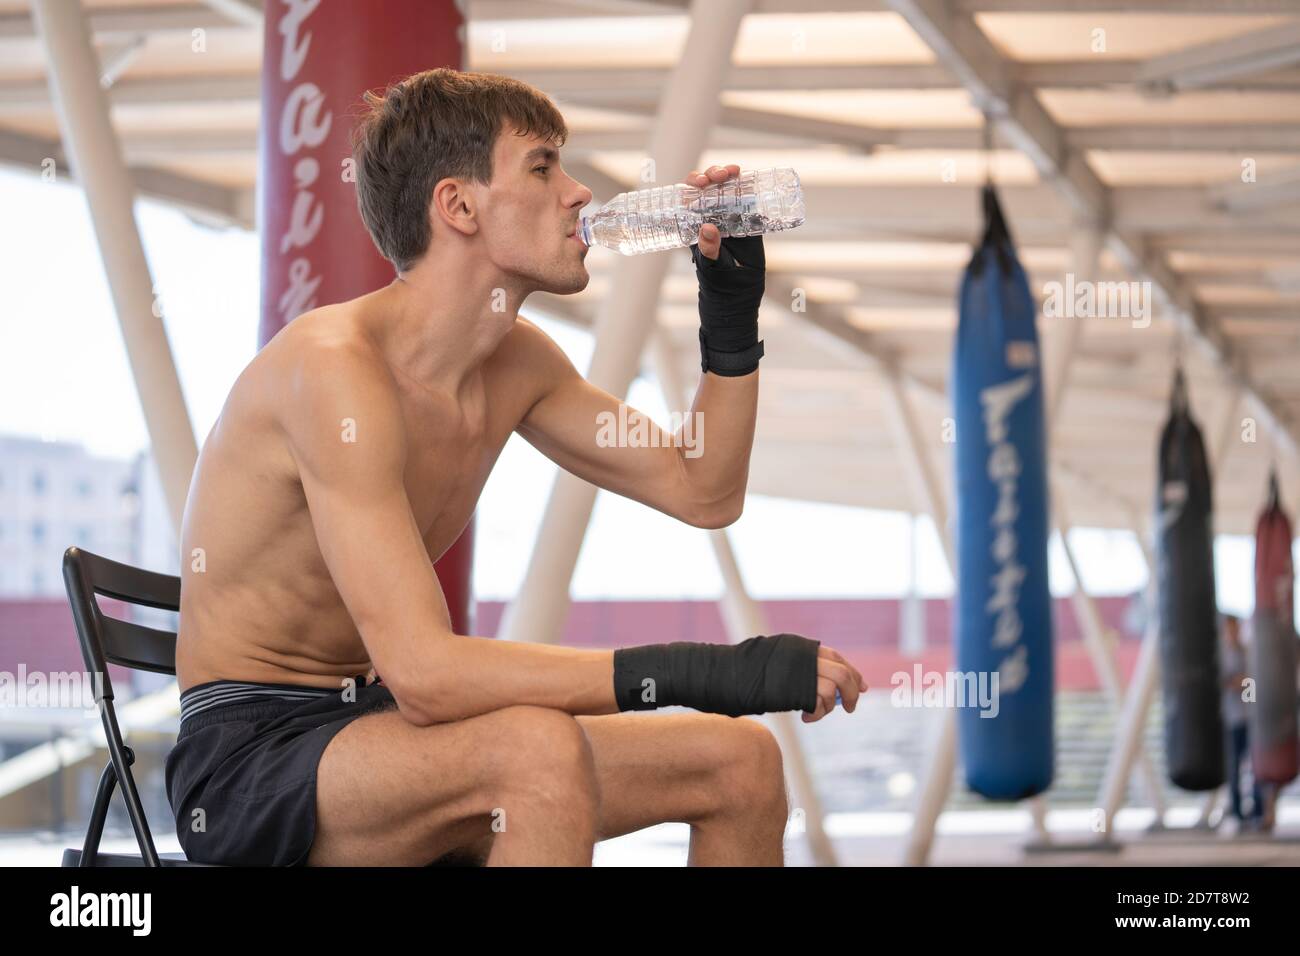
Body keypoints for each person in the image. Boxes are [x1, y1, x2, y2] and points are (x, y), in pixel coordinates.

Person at [164, 67, 864, 867]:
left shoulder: (515, 361)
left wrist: (730, 321)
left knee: (739, 764)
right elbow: (427, 672)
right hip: (253, 755)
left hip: (383, 725)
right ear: (458, 206)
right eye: (542, 168)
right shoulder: (333, 370)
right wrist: (706, 672)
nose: (577, 193)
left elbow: (703, 488)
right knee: (533, 754)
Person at [1219, 613, 1261, 832]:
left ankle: (1257, 811)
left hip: (1249, 719)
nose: (1234, 632)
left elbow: (1251, 687)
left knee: (1255, 766)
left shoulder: (1247, 652)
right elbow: (1229, 683)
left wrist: (1241, 682)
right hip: (1232, 718)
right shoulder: (1222, 655)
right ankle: (1237, 812)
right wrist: (1242, 681)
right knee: (1234, 768)